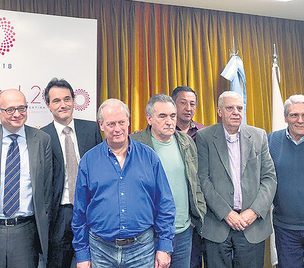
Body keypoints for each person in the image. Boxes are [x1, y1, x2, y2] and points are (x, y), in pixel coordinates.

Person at [72, 98, 175, 268]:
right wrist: (82, 254)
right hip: (101, 250)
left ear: (128, 121)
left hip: (142, 249)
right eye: (111, 124)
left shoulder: (149, 157)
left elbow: (165, 203)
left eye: (121, 122)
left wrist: (164, 247)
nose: (117, 129)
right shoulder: (88, 161)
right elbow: (80, 212)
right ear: (101, 125)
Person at [0, 89, 52, 268]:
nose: (17, 114)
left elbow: (46, 190)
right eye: (10, 109)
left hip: (26, 232)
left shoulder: (42, 140)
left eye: (22, 108)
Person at [196, 91, 276, 268]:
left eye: (239, 108)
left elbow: (269, 178)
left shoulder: (259, 136)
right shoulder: (205, 137)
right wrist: (226, 213)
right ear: (219, 111)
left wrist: (254, 211)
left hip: (251, 225)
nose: (236, 112)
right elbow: (203, 180)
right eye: (230, 108)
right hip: (217, 224)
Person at [131, 94, 206, 268]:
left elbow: (196, 182)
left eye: (172, 116)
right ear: (149, 118)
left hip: (183, 230)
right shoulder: (135, 145)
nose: (169, 121)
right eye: (162, 116)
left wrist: (196, 216)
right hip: (148, 233)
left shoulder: (186, 142)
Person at [41, 78, 102, 268]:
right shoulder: (42, 137)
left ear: (74, 100)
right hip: (60, 213)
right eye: (56, 101)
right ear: (48, 105)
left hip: (91, 210)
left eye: (67, 99)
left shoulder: (91, 129)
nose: (63, 105)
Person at [268, 94, 304, 267]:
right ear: (286, 117)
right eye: (294, 115)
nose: (300, 120)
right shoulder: (270, 141)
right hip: (285, 229)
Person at [171, 86, 206, 268]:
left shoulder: (204, 134)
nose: (188, 108)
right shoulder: (163, 132)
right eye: (183, 103)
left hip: (197, 211)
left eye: (192, 104)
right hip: (171, 210)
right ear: (173, 104)